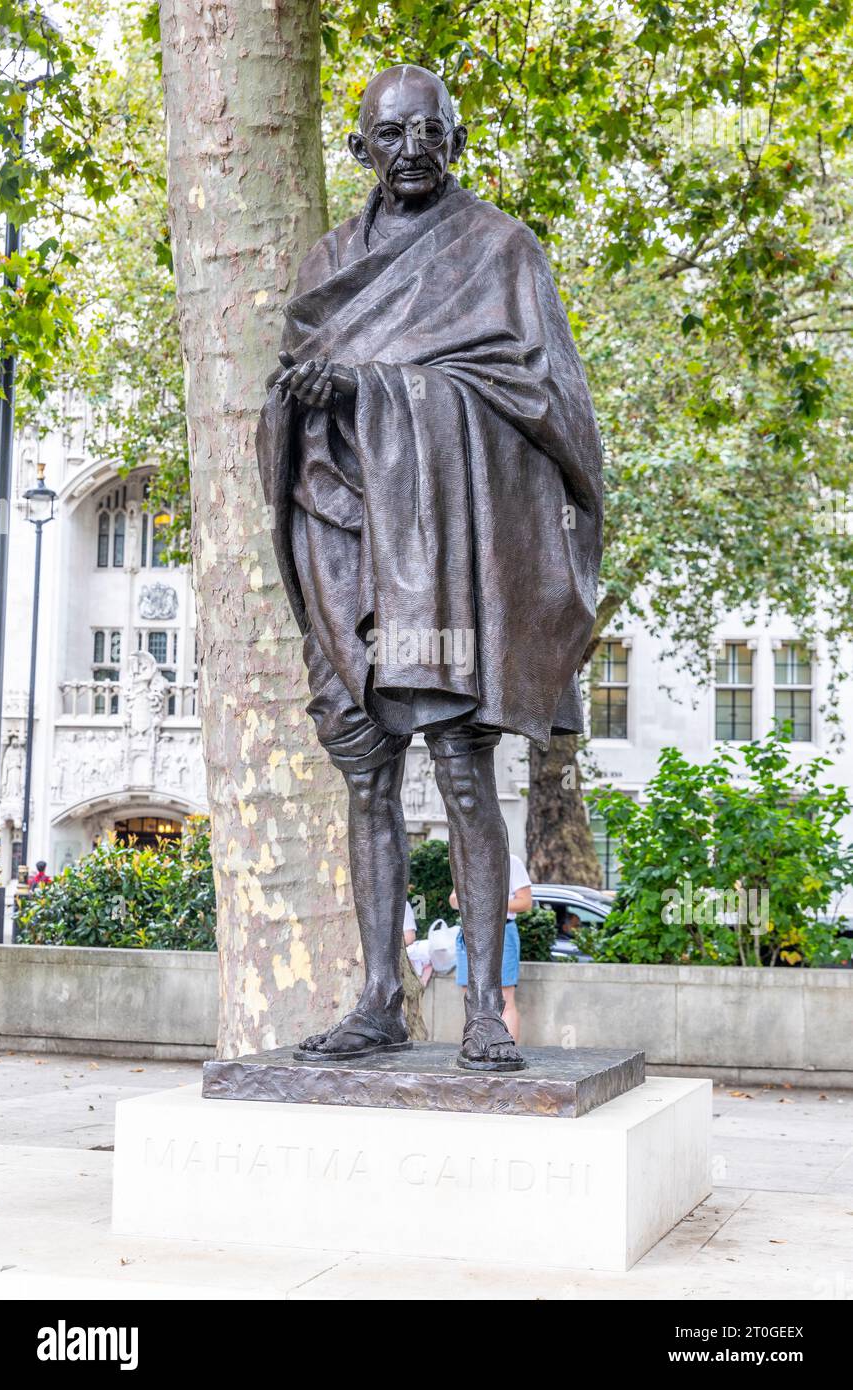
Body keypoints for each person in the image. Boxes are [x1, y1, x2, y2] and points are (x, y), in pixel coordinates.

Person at [257, 64, 603, 1072]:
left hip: (442, 555)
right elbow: (284, 396)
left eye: (428, 131)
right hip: (345, 540)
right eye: (389, 133)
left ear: (455, 141)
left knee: (457, 761)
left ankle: (484, 1007)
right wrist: (309, 393)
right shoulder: (329, 260)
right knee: (365, 765)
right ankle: (376, 997)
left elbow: (538, 395)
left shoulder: (498, 250)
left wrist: (371, 384)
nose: (410, 148)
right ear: (360, 148)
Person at [450, 855, 531, 1043]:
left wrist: (488, 904)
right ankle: (475, 1046)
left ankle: (507, 1047)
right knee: (471, 996)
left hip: (501, 930)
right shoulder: (468, 859)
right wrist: (465, 900)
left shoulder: (511, 861)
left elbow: (525, 902)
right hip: (469, 932)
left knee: (504, 998)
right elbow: (453, 899)